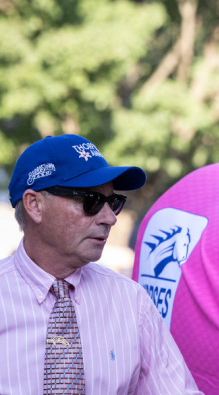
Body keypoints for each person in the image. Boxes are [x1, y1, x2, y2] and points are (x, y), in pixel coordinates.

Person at [0, 134, 201, 394]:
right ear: (35, 205)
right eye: (91, 201)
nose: (109, 218)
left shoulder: (132, 303)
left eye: (114, 202)